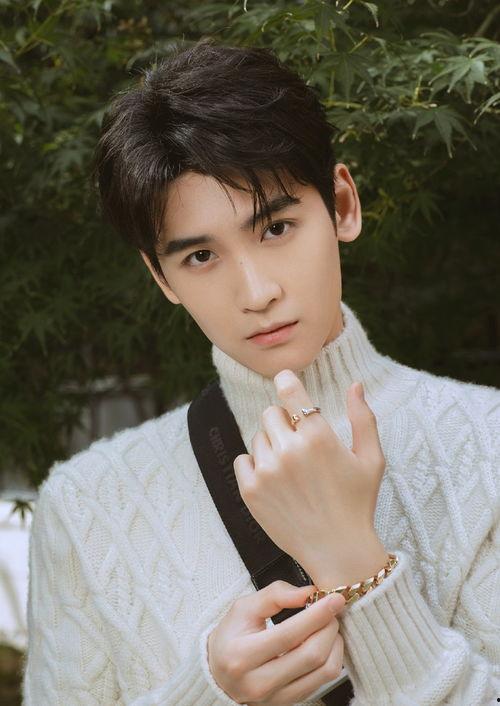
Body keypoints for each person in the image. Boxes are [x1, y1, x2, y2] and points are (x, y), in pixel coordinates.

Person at [22, 37, 500, 706]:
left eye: (275, 228)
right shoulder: (86, 504)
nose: (256, 292)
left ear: (342, 205)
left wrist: (353, 559)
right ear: (161, 276)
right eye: (200, 257)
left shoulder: (489, 446)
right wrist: (206, 692)